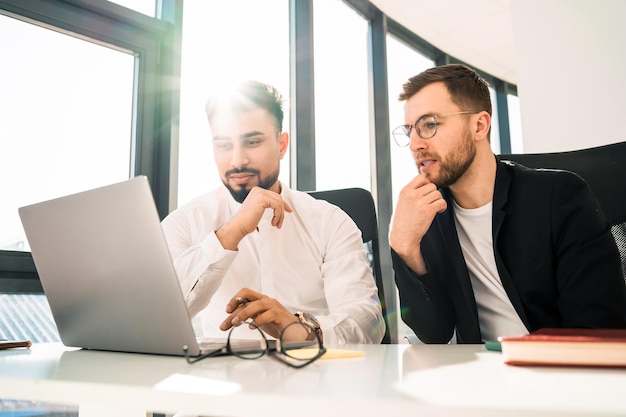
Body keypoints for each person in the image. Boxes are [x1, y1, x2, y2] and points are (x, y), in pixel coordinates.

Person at [389, 64, 626, 344]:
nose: (415, 144)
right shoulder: (429, 215)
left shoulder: (560, 197)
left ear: (479, 125)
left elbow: (597, 326)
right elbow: (434, 332)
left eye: (429, 125)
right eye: (409, 132)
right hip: (481, 377)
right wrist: (405, 248)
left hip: (562, 372)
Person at [161, 80, 384, 344]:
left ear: (281, 145)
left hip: (316, 375)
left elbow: (367, 322)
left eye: (252, 142)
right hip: (220, 378)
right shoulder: (184, 222)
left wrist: (298, 328)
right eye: (223, 145)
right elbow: (160, 317)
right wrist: (232, 232)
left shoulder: (330, 222)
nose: (237, 160)